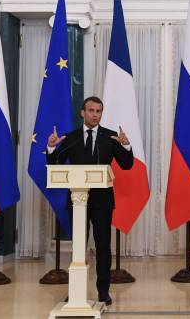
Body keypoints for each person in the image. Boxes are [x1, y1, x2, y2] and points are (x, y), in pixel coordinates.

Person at [46, 96, 133, 306]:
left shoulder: (111, 137)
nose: (95, 115)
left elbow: (127, 164)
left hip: (103, 201)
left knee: (103, 246)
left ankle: (103, 292)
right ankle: (76, 292)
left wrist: (126, 145)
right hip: (78, 200)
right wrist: (50, 147)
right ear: (82, 113)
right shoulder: (71, 137)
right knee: (78, 246)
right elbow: (55, 162)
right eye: (91, 111)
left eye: (98, 111)